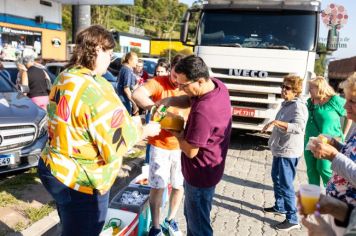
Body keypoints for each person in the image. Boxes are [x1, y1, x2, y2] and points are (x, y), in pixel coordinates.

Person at [37, 25, 161, 236]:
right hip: (81, 180)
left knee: (69, 224)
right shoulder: (96, 89)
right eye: (109, 53)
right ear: (96, 49)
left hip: (54, 167)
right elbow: (114, 142)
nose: (111, 59)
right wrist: (145, 129)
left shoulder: (65, 77)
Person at [157, 55, 232, 236]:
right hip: (209, 171)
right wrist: (168, 101)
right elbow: (189, 99)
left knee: (199, 227)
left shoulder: (204, 111)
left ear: (199, 80)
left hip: (199, 175)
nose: (180, 89)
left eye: (183, 85)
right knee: (194, 217)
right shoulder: (217, 85)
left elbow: (190, 151)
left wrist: (176, 132)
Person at [132, 55, 187, 236]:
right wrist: (154, 108)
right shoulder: (159, 82)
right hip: (160, 146)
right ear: (170, 70)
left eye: (181, 78)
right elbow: (137, 94)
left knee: (178, 186)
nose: (177, 82)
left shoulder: (189, 86)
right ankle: (155, 227)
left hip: (181, 146)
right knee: (158, 186)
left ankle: (170, 220)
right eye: (174, 76)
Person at [310, 73, 356, 235]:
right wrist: (337, 145)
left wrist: (334, 155)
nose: (345, 106)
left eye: (352, 101)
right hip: (341, 214)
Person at [262, 75, 308, 231]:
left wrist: (276, 123)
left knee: (286, 184)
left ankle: (292, 218)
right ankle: (280, 206)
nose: (283, 90)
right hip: (280, 149)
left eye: (287, 88)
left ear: (295, 91)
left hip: (289, 151)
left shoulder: (298, 106)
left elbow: (298, 127)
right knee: (276, 177)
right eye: (282, 86)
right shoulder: (286, 104)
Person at [304, 76, 351, 187]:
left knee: (324, 169)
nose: (309, 90)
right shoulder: (309, 102)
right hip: (310, 140)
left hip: (328, 142)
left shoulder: (334, 100)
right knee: (311, 171)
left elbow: (349, 115)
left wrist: (344, 134)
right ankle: (313, 199)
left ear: (319, 88)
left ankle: (331, 193)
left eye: (311, 88)